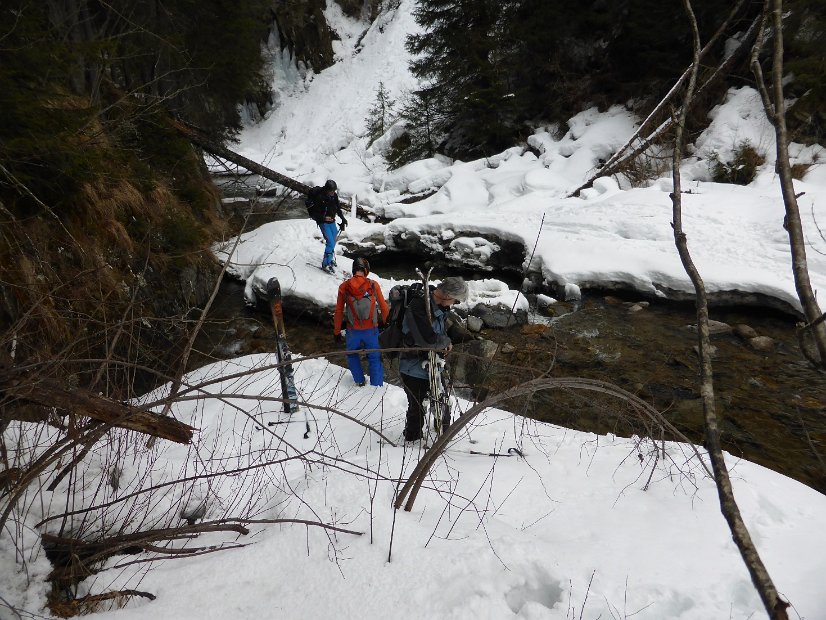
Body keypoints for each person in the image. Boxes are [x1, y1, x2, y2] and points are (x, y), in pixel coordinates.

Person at [399, 276, 470, 441]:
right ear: (446, 295)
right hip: (413, 366)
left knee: (443, 400)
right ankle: (412, 440)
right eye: (455, 300)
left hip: (435, 364)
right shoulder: (418, 306)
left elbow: (439, 332)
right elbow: (427, 339)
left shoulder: (439, 306)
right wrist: (444, 342)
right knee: (416, 406)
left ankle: (444, 435)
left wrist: (447, 342)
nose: (454, 304)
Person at [333, 257, 389, 387]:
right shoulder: (373, 285)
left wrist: (336, 332)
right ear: (366, 270)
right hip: (371, 330)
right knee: (374, 357)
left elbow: (339, 311)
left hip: (353, 331)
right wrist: (386, 324)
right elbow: (383, 307)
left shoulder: (344, 287)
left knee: (352, 355)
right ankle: (376, 386)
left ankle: (359, 382)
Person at [310, 179, 348, 273]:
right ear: (327, 190)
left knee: (333, 241)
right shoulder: (320, 198)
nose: (333, 193)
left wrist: (343, 219)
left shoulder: (334, 196)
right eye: (331, 191)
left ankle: (330, 259)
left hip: (332, 221)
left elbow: (338, 208)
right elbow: (314, 214)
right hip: (323, 223)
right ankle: (325, 264)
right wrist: (324, 218)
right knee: (330, 242)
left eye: (334, 191)